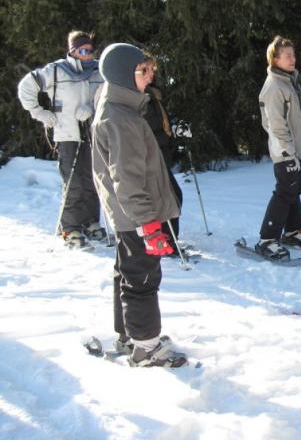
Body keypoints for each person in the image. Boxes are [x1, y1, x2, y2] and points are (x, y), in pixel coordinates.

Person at [92, 43, 186, 367]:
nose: (150, 76)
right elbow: (128, 178)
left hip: (127, 213)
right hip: (135, 214)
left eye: (151, 70)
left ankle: (129, 334)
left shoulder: (120, 106)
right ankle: (146, 347)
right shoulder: (120, 118)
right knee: (143, 277)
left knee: (127, 270)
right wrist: (148, 223)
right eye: (142, 71)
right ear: (123, 75)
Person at [17, 30, 106, 248]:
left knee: (93, 181)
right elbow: (26, 87)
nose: (88, 55)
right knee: (74, 182)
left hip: (92, 133)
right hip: (67, 134)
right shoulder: (56, 70)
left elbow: (106, 97)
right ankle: (69, 228)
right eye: (83, 50)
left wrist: (92, 108)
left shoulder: (98, 71)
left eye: (91, 50)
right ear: (73, 51)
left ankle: (90, 222)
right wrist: (40, 113)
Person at [256, 35, 301, 260]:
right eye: (287, 56)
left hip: (293, 150)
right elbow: (275, 124)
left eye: (293, 55)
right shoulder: (274, 86)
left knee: (293, 187)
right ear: (275, 58)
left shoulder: (289, 81)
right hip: (284, 151)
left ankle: (292, 231)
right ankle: (267, 239)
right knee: (285, 190)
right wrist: (286, 151)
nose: (293, 59)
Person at [140, 55, 183, 248]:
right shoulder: (139, 97)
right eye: (146, 69)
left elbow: (162, 124)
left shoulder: (153, 94)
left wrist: (175, 132)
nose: (151, 74)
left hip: (161, 153)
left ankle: (169, 241)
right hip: (151, 156)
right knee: (169, 197)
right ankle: (166, 241)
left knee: (172, 196)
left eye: (153, 69)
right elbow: (146, 131)